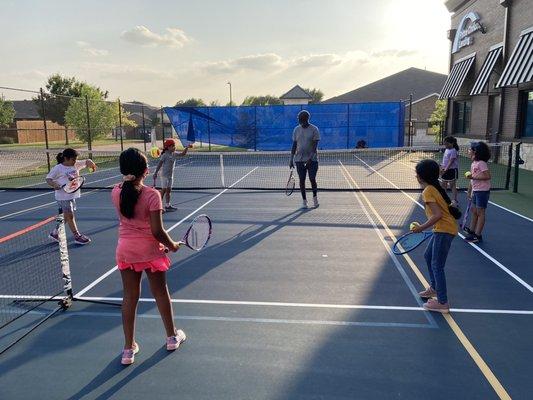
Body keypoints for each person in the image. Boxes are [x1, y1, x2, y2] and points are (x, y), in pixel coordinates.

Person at [112, 148, 186, 365]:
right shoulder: (152, 195)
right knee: (161, 293)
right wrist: (172, 245)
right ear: (145, 171)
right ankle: (172, 337)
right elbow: (156, 231)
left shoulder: (115, 192)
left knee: (129, 298)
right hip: (150, 252)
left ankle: (128, 349)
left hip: (125, 250)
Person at [412, 159, 461, 313]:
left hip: (444, 229)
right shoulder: (433, 187)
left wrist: (421, 228)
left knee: (437, 265)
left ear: (420, 176)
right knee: (428, 256)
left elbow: (437, 215)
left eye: (417, 174)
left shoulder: (428, 191)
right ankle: (434, 287)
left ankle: (442, 303)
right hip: (443, 228)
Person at [45, 148, 96, 245]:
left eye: (76, 159)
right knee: (70, 215)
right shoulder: (58, 168)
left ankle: (55, 233)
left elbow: (86, 161)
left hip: (72, 195)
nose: (75, 161)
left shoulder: (75, 164)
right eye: (73, 159)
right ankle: (77, 236)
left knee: (66, 216)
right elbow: (48, 179)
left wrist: (91, 163)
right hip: (62, 196)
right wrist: (54, 185)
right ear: (66, 158)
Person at [289, 110, 320, 209]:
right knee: (302, 180)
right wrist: (291, 159)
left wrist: (310, 159)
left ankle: (315, 199)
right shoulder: (296, 130)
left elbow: (315, 146)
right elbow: (294, 145)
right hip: (299, 160)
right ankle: (304, 201)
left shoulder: (314, 129)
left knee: (312, 179)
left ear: (306, 119)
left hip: (312, 160)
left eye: (300, 119)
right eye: (298, 119)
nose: (298, 120)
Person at [465, 141, 491, 243]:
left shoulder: (481, 163)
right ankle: (472, 231)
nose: (468, 150)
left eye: (470, 149)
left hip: (482, 191)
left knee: (480, 213)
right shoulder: (474, 163)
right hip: (476, 191)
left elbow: (487, 176)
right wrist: (469, 190)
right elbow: (472, 179)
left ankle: (478, 235)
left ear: (475, 151)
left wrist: (473, 176)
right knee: (474, 211)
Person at [153, 138, 189, 211]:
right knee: (163, 190)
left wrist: (187, 147)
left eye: (174, 146)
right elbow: (160, 164)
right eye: (172, 146)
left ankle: (167, 205)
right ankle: (159, 206)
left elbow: (183, 154)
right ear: (168, 147)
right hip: (164, 176)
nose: (174, 147)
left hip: (170, 176)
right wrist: (155, 172)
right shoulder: (165, 155)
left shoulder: (174, 154)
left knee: (169, 191)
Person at [440, 136, 459, 206]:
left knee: (452, 185)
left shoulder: (453, 150)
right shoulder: (447, 150)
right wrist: (442, 167)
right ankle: (444, 199)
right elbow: (445, 160)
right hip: (445, 169)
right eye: (445, 144)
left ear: (452, 143)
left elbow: (450, 162)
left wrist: (445, 170)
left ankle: (455, 200)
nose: (446, 145)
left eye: (447, 144)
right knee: (443, 184)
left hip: (452, 170)